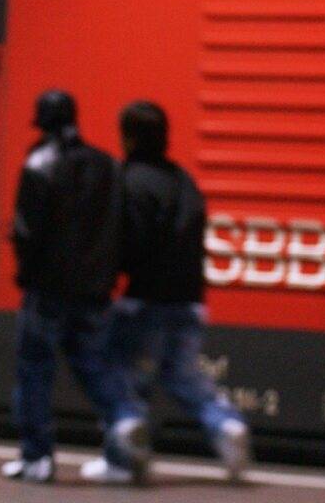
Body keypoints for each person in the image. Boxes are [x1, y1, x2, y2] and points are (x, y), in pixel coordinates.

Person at [96, 100, 252, 483]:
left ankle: (122, 458)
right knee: (182, 375)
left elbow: (126, 242)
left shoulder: (128, 179)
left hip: (144, 298)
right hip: (189, 300)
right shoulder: (184, 181)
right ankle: (225, 423)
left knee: (118, 373)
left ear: (129, 137)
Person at [1, 90, 127, 483]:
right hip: (94, 291)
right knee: (97, 369)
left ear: (42, 121)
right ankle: (123, 445)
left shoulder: (39, 163)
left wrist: (26, 272)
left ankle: (37, 457)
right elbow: (118, 226)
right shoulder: (106, 163)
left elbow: (27, 230)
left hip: (47, 290)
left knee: (34, 371)